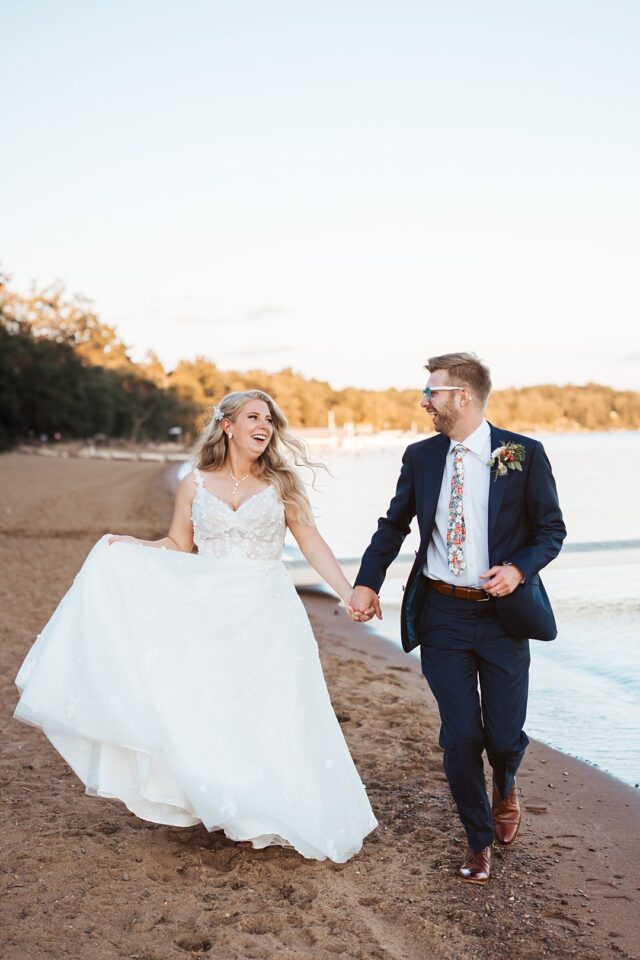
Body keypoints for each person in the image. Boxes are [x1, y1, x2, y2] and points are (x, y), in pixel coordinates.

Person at [14, 390, 377, 863]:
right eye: (252, 417)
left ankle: (264, 808)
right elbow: (178, 544)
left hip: (267, 612)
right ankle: (228, 801)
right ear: (227, 425)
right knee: (217, 706)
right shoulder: (194, 484)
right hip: (208, 611)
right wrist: (133, 547)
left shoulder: (282, 484)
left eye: (268, 419)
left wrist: (348, 593)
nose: (263, 425)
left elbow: (312, 543)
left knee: (269, 707)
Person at [348, 353, 566, 883]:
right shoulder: (421, 457)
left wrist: (518, 569)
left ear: (461, 397)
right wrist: (366, 581)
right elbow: (393, 524)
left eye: (432, 393)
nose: (425, 402)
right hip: (442, 613)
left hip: (503, 617)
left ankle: (506, 781)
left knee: (504, 735)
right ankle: (477, 840)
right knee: (461, 734)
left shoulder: (523, 454)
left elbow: (551, 530)